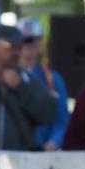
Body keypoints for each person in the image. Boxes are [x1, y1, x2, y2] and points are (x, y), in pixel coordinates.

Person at [16, 17, 70, 151]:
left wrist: (54, 141)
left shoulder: (53, 79)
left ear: (41, 43)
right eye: (24, 40)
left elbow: (62, 117)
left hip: (43, 153)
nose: (28, 45)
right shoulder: (5, 77)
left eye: (33, 40)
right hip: (13, 152)